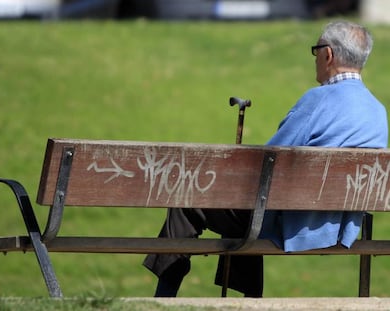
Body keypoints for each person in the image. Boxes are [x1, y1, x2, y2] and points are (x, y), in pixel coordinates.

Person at [143, 20, 388, 298]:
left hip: (293, 222)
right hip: (340, 227)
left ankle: (163, 299)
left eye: (316, 50)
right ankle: (248, 301)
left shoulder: (317, 101)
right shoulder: (378, 111)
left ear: (328, 54)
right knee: (251, 205)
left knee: (187, 200)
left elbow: (266, 162)